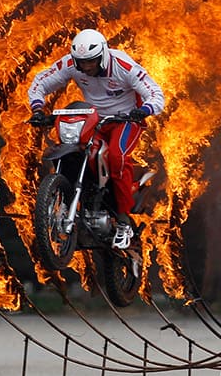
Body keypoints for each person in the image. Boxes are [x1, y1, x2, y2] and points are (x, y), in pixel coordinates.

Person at [27, 29, 165, 249]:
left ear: (103, 54)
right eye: (82, 63)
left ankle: (123, 221)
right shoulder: (71, 64)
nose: (86, 67)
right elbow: (40, 82)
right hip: (94, 118)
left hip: (127, 118)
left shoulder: (123, 65)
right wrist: (36, 108)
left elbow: (156, 94)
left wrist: (145, 109)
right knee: (76, 150)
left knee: (117, 157)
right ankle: (83, 202)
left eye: (91, 61)